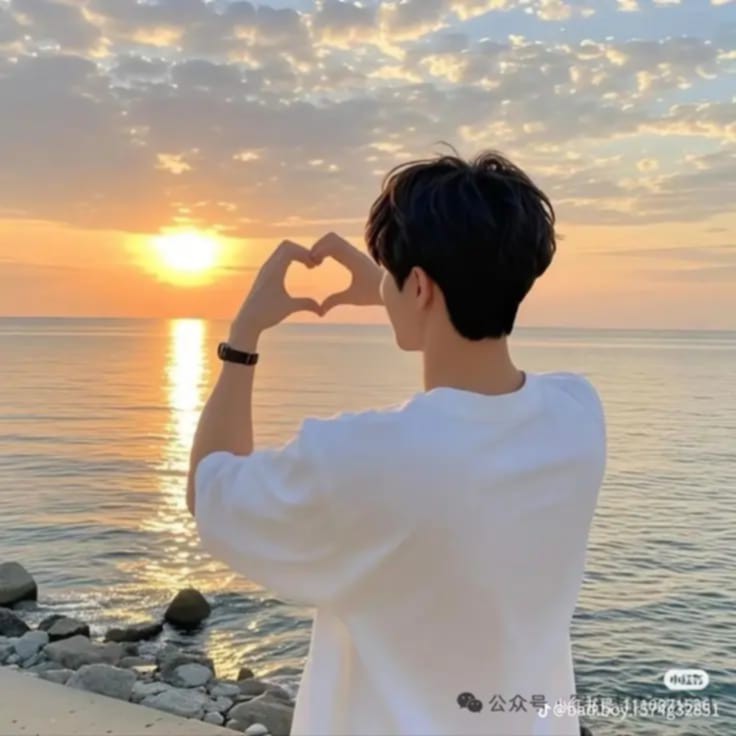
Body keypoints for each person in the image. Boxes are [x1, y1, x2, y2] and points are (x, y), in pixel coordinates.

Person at [186, 144, 606, 736]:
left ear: (421, 288)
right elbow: (464, 406)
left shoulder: (359, 459)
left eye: (392, 275)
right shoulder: (578, 414)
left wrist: (244, 335)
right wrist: (397, 289)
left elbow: (211, 492)